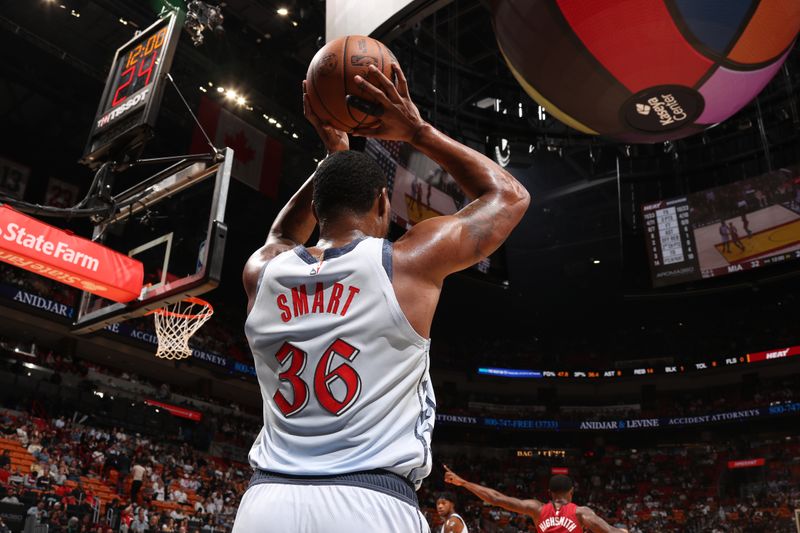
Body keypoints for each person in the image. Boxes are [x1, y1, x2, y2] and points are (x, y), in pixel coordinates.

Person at [233, 62, 529, 533]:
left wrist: (332, 159)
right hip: (368, 501)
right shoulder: (405, 263)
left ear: (316, 209)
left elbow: (282, 232)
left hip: (265, 503)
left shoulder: (264, 271)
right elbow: (509, 196)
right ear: (381, 204)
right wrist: (418, 130)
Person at [444, 466, 628, 533]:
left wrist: (464, 482)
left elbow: (495, 498)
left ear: (549, 492)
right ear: (571, 492)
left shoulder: (536, 509)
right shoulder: (581, 512)